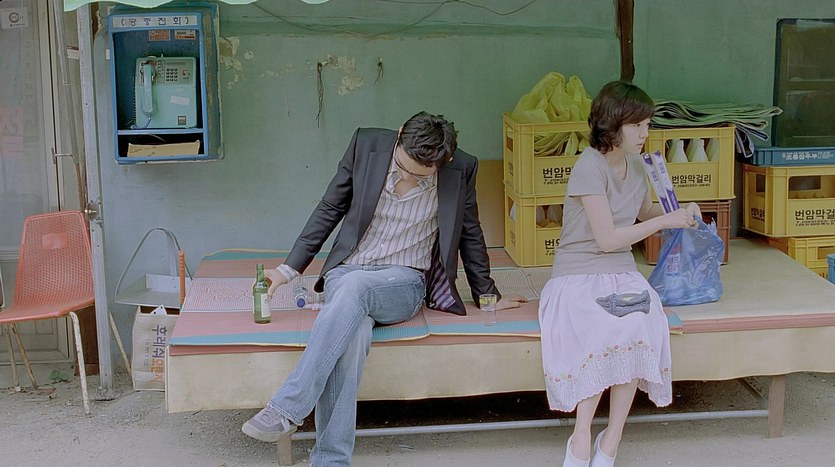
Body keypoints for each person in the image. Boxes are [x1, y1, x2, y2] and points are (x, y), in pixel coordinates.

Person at [242, 111, 525, 466]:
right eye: (403, 166)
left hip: (403, 282)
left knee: (356, 289)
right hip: (346, 273)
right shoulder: (367, 144)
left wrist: (487, 294)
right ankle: (330, 460)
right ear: (400, 134)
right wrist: (287, 270)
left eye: (419, 175)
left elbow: (470, 231)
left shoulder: (461, 168)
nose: (407, 177)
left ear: (445, 160)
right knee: (352, 334)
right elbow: (330, 207)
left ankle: (287, 408)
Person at [537, 81, 700, 467]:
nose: (645, 133)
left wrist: (681, 212)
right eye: (637, 125)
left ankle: (612, 438)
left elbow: (645, 213)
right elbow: (608, 239)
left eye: (647, 125)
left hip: (621, 272)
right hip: (577, 273)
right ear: (613, 125)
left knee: (640, 324)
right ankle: (581, 436)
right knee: (604, 327)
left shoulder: (637, 164)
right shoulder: (589, 166)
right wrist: (665, 221)